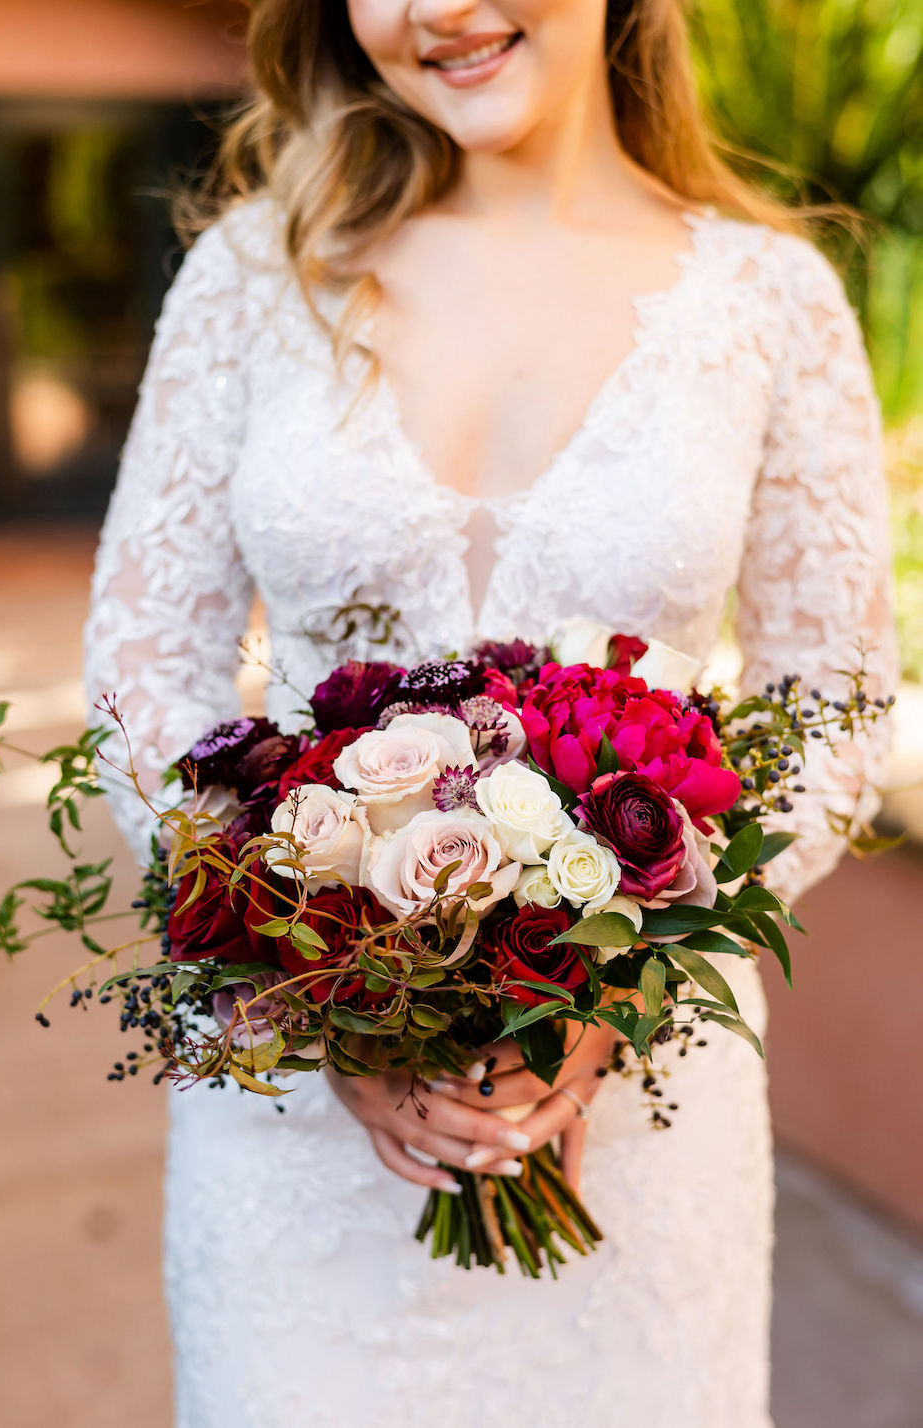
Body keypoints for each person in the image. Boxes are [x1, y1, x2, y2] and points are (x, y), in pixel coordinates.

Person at [83, 2, 897, 1424]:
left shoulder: (769, 300)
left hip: (639, 1109)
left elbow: (827, 706)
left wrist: (621, 976)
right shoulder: (249, 281)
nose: (431, 11)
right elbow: (142, 673)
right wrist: (321, 984)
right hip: (295, 1130)